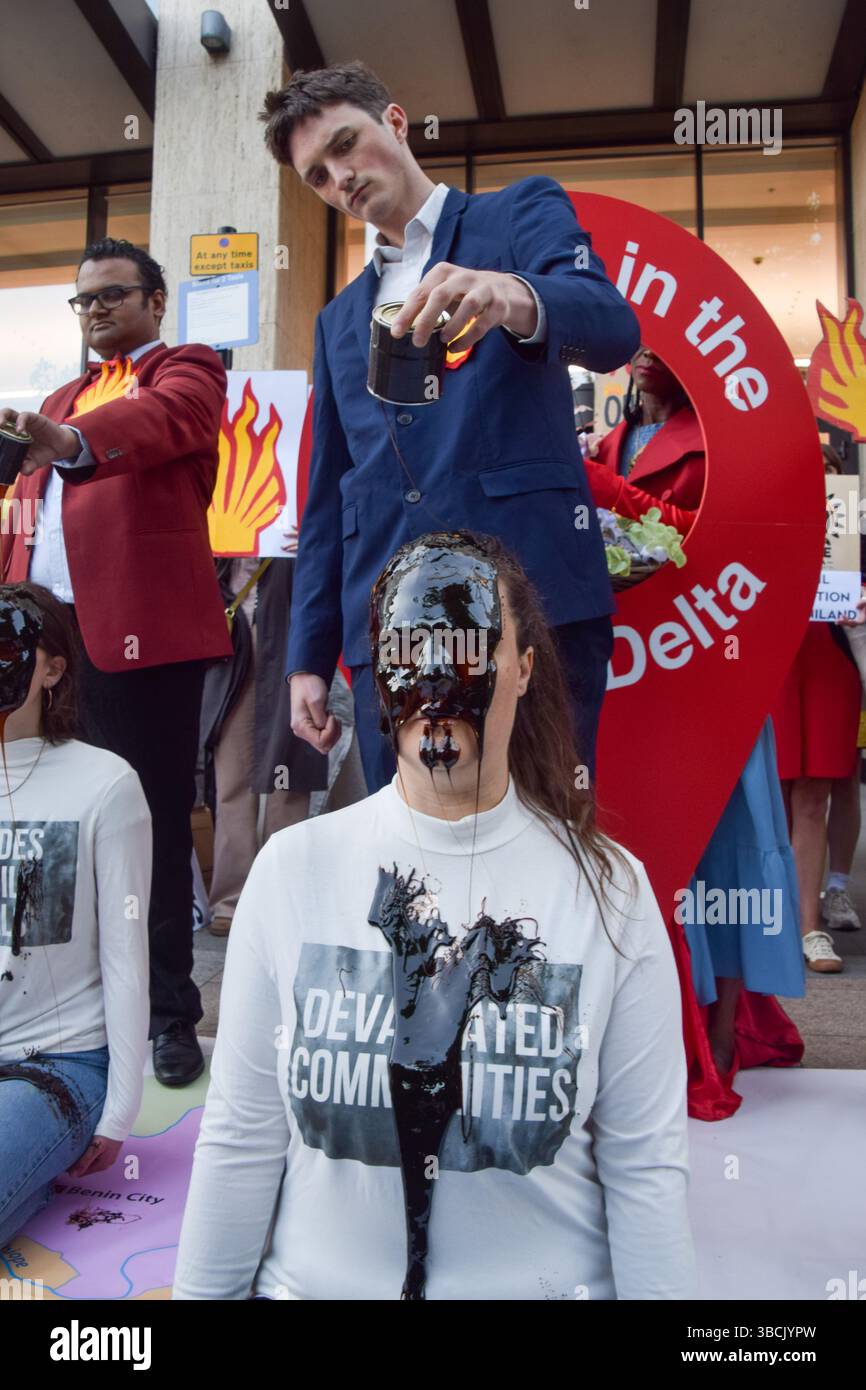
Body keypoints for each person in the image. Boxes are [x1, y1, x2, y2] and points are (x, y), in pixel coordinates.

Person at [173, 531, 696, 1301]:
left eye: (465, 645)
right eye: (410, 646)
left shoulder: (611, 890)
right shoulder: (292, 870)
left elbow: (645, 1168)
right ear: (379, 674)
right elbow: (242, 1139)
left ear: (522, 668)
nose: (435, 679)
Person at [258, 61, 640, 794]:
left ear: (396, 123)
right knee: (408, 874)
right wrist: (309, 653)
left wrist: (513, 294)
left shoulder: (518, 214)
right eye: (317, 175)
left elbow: (613, 329)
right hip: (388, 627)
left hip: (528, 606)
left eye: (347, 144)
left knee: (545, 846)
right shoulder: (337, 319)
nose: (340, 177)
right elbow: (332, 491)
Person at [0, 239, 233, 1087]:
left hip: (139, 639)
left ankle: (169, 1014)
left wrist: (60, 439)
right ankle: (64, 1005)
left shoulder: (189, 367)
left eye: (111, 294)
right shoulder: (58, 397)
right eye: (82, 300)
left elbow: (168, 425)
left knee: (153, 830)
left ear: (155, 301)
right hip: (42, 646)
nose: (95, 309)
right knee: (49, 828)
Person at [586, 347, 805, 1110]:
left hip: (710, 672)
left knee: (727, 848)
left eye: (661, 343)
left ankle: (719, 1029)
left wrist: (612, 494)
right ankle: (657, 1025)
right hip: (635, 675)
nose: (645, 355)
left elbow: (724, 540)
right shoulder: (606, 441)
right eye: (635, 340)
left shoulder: (722, 445)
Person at [0, 582, 150, 1248]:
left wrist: (118, 1110)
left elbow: (125, 952)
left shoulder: (105, 783)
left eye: (9, 647)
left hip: (56, 1066)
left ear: (54, 667)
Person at [200, 533, 328, 936]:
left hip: (292, 635)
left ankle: (280, 895)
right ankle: (231, 899)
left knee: (288, 770)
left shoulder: (301, 487)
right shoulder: (227, 487)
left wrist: (308, 537)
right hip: (232, 637)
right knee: (231, 772)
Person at [773, 446, 866, 971]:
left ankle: (810, 927)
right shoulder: (767, 517)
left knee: (817, 794)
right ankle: (782, 918)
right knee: (779, 792)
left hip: (833, 659)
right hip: (776, 662)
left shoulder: (852, 521)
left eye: (828, 476)